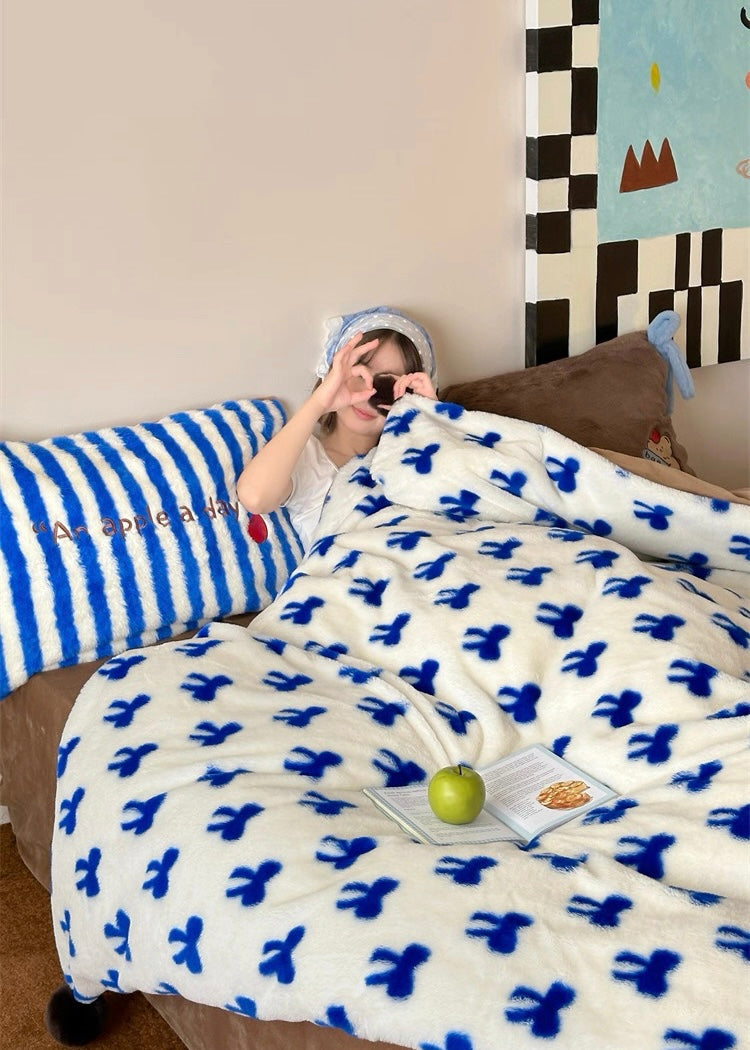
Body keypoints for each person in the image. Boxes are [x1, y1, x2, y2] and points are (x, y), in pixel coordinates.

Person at [237, 306, 438, 551]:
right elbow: (255, 497)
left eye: (387, 385)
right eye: (357, 373)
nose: (367, 394)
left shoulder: (413, 458)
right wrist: (320, 402)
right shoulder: (308, 458)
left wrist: (432, 419)